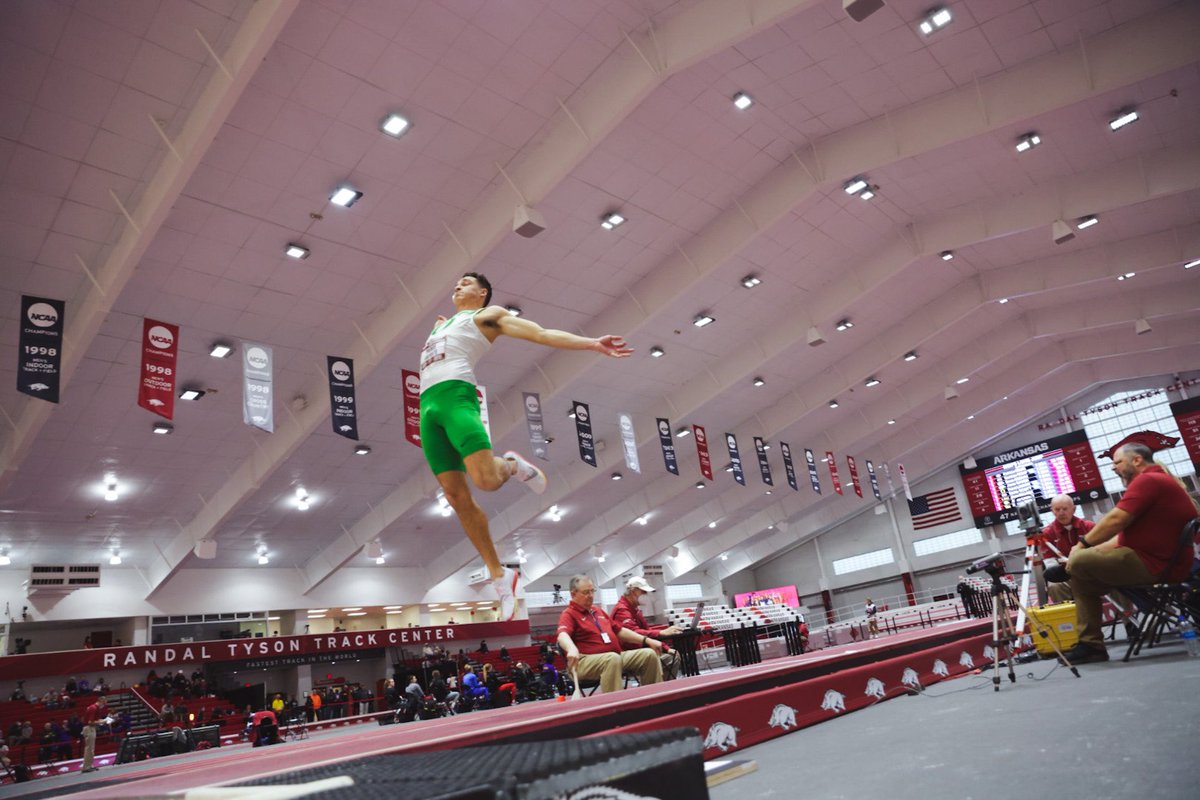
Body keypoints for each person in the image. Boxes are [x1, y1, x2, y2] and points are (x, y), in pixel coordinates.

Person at [419, 273, 633, 619]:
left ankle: (512, 465)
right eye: (455, 282)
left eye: (466, 282)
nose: (456, 286)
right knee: (456, 497)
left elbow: (541, 334)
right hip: (426, 409)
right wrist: (439, 327)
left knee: (487, 481)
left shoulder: (488, 316)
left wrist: (592, 343)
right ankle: (500, 576)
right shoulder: (442, 325)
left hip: (456, 400)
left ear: (483, 293)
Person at [1062, 442, 1199, 664]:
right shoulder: (1158, 482)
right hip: (1158, 562)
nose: (1114, 468)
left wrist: (1081, 547)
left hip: (1157, 565)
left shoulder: (1148, 480)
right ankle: (1090, 645)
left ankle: (1091, 644)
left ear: (1136, 460)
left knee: (1081, 562)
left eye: (1117, 462)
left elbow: (1116, 519)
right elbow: (1121, 536)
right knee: (1080, 577)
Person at [556, 575, 664, 694]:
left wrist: (647, 640)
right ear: (573, 594)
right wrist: (571, 648)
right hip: (583, 662)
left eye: (592, 591)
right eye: (586, 592)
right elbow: (562, 635)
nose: (591, 595)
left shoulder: (598, 611)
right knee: (611, 659)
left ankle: (653, 698)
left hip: (614, 656)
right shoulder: (568, 614)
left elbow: (620, 631)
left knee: (648, 654)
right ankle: (616, 707)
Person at [611, 576, 683, 679]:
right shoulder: (622, 610)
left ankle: (661, 688)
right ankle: (656, 689)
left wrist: (666, 648)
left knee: (672, 655)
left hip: (639, 649)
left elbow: (647, 631)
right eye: (644, 592)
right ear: (634, 591)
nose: (646, 595)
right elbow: (633, 633)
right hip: (628, 653)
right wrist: (661, 633)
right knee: (668, 658)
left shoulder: (635, 609)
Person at [1037, 495, 1096, 602]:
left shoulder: (1090, 527)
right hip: (1066, 575)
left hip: (1092, 572)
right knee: (1055, 586)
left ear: (1073, 509)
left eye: (1065, 509)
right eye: (1057, 509)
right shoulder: (1046, 534)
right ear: (1052, 511)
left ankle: (1126, 614)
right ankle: (1069, 617)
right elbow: (1050, 562)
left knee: (1113, 574)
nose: (1061, 513)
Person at [80, 694, 107, 773]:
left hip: (91, 728)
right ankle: (86, 767)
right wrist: (102, 721)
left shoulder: (94, 708)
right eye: (104, 703)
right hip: (89, 728)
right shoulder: (93, 708)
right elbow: (90, 722)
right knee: (89, 749)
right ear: (101, 701)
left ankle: (89, 765)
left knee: (91, 749)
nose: (104, 706)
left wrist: (100, 721)